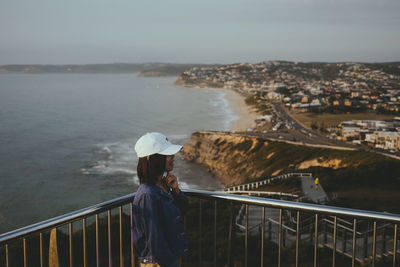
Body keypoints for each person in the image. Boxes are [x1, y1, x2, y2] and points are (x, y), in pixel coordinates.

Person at [132, 132, 189, 267]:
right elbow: (155, 241)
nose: (173, 157)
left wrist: (176, 190)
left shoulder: (161, 186)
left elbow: (183, 210)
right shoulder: (147, 195)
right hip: (159, 262)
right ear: (153, 159)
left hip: (169, 256)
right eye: (168, 154)